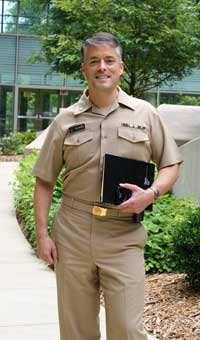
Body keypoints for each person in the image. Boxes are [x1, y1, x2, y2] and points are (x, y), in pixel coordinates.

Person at [33, 32, 182, 340]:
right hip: (73, 231)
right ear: (84, 69)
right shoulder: (65, 120)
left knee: (128, 329)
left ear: (120, 67)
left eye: (109, 60)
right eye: (94, 61)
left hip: (124, 233)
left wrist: (152, 194)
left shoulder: (145, 114)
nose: (102, 67)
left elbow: (171, 163)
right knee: (77, 331)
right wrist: (43, 235)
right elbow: (44, 181)